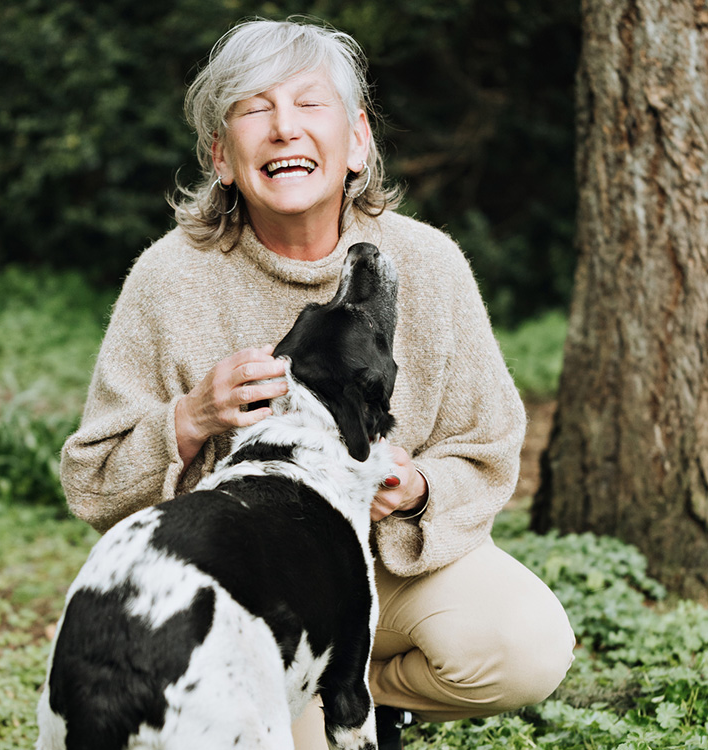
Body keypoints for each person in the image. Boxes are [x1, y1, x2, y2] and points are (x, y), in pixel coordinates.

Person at [60, 18, 575, 750]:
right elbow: (92, 480)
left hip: (388, 571)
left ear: (358, 139)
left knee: (525, 646)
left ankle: (366, 689)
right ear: (222, 157)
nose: (284, 129)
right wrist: (191, 415)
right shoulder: (169, 279)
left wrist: (420, 487)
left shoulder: (425, 265)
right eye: (254, 110)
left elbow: (490, 442)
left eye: (309, 105)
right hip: (248, 592)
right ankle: (312, 693)